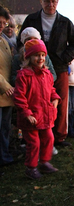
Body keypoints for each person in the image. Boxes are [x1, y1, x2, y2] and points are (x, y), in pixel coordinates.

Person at [17, 0, 74, 146]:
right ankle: (36, 136)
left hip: (59, 68)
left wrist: (64, 58)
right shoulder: (31, 20)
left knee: (60, 101)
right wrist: (26, 58)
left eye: (54, 1)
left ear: (57, 2)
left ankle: (59, 137)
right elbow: (20, 41)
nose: (50, 4)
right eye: (47, 1)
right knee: (36, 102)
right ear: (41, 1)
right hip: (34, 70)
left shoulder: (65, 22)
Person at [13, 39, 60, 180]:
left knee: (49, 138)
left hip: (44, 114)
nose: (40, 58)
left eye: (42, 55)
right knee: (34, 143)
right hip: (31, 117)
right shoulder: (24, 75)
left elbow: (51, 89)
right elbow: (19, 96)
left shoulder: (46, 74)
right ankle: (31, 167)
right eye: (36, 55)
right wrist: (26, 113)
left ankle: (44, 162)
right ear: (29, 57)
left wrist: (55, 98)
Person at [0, 6, 14, 173]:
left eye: (4, 23)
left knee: (5, 128)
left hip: (8, 93)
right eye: (0, 22)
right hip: (4, 90)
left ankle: (4, 156)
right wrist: (4, 86)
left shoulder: (4, 41)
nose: (2, 25)